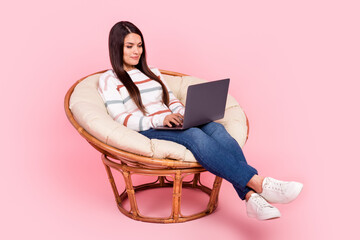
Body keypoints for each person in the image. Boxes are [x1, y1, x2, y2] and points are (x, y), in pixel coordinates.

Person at [98, 21, 303, 221]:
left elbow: (171, 100)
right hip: (147, 127)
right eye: (130, 46)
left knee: (216, 129)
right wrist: (161, 118)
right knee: (194, 135)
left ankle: (253, 199)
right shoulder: (110, 79)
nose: (137, 51)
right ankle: (259, 184)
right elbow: (122, 118)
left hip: (170, 120)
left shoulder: (152, 72)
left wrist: (185, 113)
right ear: (116, 48)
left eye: (140, 45)